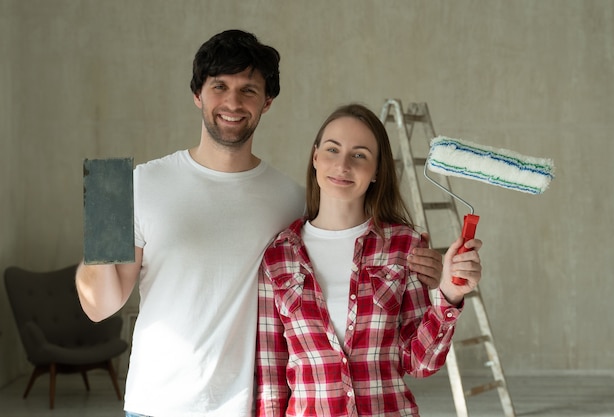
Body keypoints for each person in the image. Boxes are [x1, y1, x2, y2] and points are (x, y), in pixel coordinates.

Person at [75, 31, 444, 417]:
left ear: (267, 102)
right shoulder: (140, 184)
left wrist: (425, 268)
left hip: (244, 407)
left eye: (248, 90)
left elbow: (352, 252)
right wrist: (101, 221)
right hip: (155, 405)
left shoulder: (291, 202)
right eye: (219, 86)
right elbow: (101, 307)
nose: (233, 102)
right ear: (197, 95)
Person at [255, 103, 483, 416]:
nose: (343, 164)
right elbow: (271, 372)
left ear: (376, 171)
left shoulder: (405, 246)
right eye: (333, 150)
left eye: (359, 154)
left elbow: (420, 363)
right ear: (315, 157)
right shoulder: (279, 255)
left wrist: (450, 294)